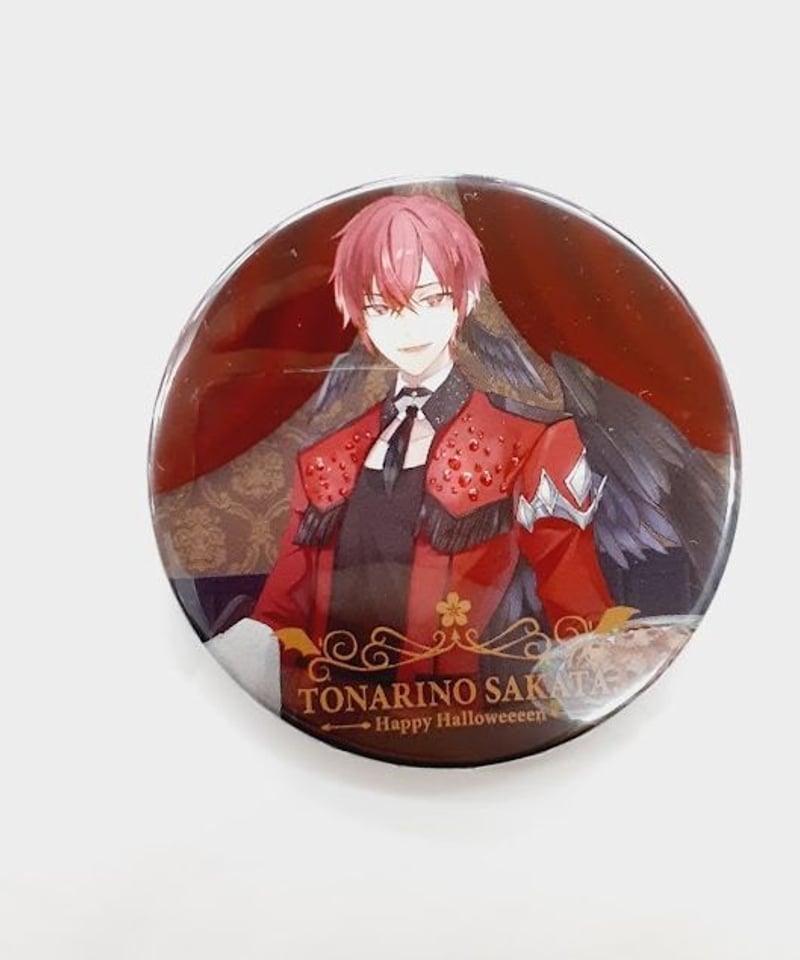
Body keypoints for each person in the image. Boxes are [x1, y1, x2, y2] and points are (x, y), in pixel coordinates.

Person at [208, 194, 613, 714]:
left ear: (462, 301)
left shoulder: (531, 441)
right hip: (335, 723)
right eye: (383, 307)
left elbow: (580, 613)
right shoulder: (325, 459)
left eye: (430, 298)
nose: (409, 327)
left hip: (471, 721)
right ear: (361, 317)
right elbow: (279, 615)